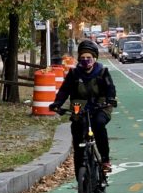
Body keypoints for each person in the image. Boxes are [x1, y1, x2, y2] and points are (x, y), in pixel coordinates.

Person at [49, 39, 117, 173]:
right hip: (79, 106)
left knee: (98, 124)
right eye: (83, 58)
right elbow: (64, 90)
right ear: (79, 58)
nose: (86, 60)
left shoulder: (102, 72)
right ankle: (81, 179)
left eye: (89, 58)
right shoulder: (74, 74)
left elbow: (110, 88)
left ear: (94, 58)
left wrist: (110, 100)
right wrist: (57, 104)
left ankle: (105, 159)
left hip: (100, 105)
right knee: (77, 130)